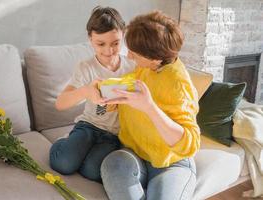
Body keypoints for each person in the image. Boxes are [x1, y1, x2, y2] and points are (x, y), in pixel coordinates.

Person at [100, 11, 200, 200]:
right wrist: (107, 95)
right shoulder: (145, 68)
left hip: (171, 164)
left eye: (134, 53)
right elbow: (126, 94)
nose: (128, 56)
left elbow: (190, 145)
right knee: (112, 164)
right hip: (134, 156)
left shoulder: (178, 83)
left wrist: (149, 108)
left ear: (155, 58)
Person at [49, 6, 135, 183]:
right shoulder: (86, 68)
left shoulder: (132, 67)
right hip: (88, 126)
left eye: (115, 43)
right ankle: (64, 143)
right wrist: (86, 91)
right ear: (90, 39)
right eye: (100, 44)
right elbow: (60, 103)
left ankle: (78, 152)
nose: (108, 51)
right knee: (64, 164)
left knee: (93, 172)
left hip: (113, 135)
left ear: (123, 35)